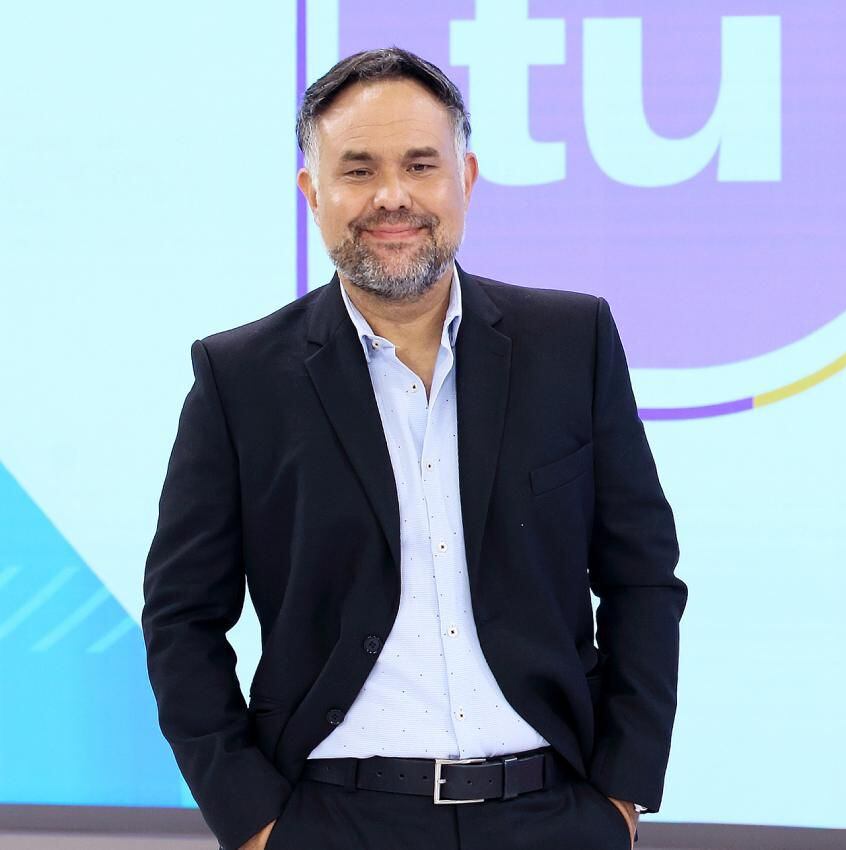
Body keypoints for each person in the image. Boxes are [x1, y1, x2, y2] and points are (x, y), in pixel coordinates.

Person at [141, 47, 686, 850]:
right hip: (333, 820)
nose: (391, 196)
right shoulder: (240, 378)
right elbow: (181, 619)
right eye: (358, 170)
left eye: (420, 165)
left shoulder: (573, 343)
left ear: (466, 178)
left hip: (554, 813)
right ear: (313, 193)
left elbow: (642, 578)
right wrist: (253, 821)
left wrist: (622, 793)